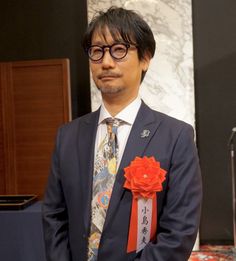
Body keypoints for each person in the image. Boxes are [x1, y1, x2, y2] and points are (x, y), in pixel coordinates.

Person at [42, 6, 202, 261]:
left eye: (119, 50)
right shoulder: (67, 136)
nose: (106, 62)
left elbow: (179, 231)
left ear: (145, 57)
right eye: (97, 51)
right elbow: (54, 216)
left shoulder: (176, 136)